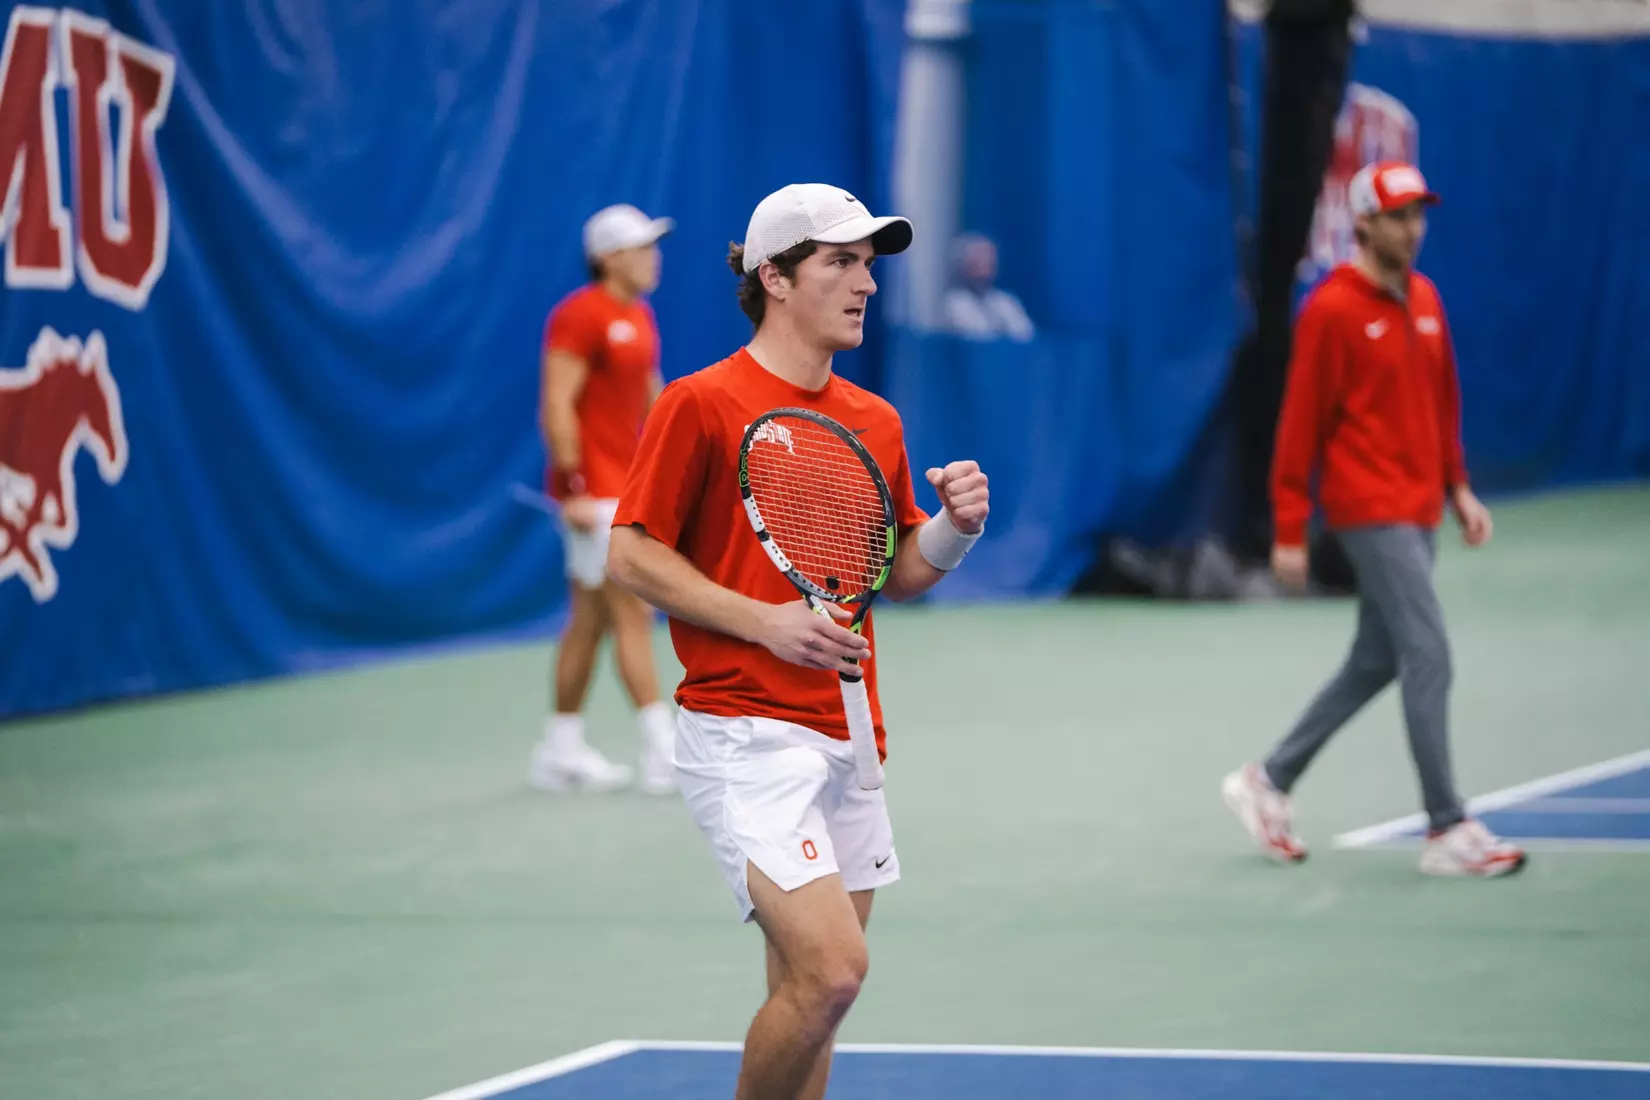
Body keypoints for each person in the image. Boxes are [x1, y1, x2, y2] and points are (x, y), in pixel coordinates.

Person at [606, 183, 990, 1100]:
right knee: (834, 971)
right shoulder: (699, 404)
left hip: (851, 738)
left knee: (808, 997)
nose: (865, 284)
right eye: (840, 262)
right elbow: (628, 552)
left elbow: (887, 573)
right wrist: (763, 621)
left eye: (869, 265)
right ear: (775, 278)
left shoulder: (876, 421)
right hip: (744, 734)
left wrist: (954, 531)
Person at [1222, 161, 1527, 878]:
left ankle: (1268, 779)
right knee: (1429, 652)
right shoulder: (1330, 310)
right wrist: (1290, 527)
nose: (1412, 229)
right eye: (1398, 216)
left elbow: (1440, 402)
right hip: (1369, 510)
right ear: (1363, 224)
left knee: (1379, 659)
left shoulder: (1425, 298)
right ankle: (1446, 829)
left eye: (1419, 215)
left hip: (1419, 506)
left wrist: (1459, 488)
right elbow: (1298, 425)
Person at [527, 203, 679, 796]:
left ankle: (559, 749)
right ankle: (664, 750)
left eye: (653, 245)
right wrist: (574, 487)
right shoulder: (578, 317)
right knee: (632, 613)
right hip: (595, 495)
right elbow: (557, 402)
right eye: (641, 247)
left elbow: (652, 398)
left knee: (589, 622)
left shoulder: (639, 317)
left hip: (627, 486)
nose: (653, 257)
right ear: (608, 258)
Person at [940, 232, 1035, 342]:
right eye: (979, 257)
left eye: (990, 257)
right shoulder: (954, 304)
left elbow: (1026, 336)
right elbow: (976, 339)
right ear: (964, 264)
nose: (987, 263)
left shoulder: (1006, 302)